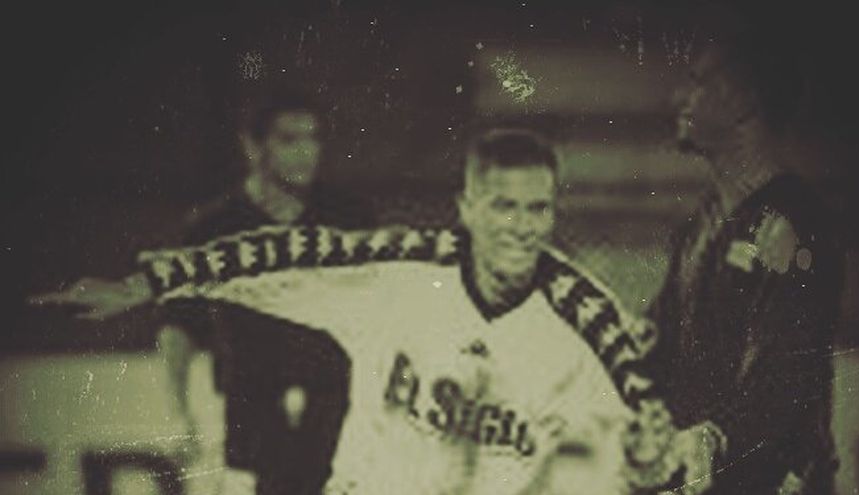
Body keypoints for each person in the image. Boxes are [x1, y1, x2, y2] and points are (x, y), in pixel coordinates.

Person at [33, 129, 722, 494]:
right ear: (466, 208)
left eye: (537, 208)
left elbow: (650, 453)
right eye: (503, 206)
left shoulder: (585, 321)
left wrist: (654, 462)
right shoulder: (398, 270)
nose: (521, 226)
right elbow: (280, 256)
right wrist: (150, 282)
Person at [647, 32, 845, 494]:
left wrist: (716, 440)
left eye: (698, 81)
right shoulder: (697, 229)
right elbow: (655, 348)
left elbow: (786, 373)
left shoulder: (794, 221)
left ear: (743, 100)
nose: (679, 96)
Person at [157, 88, 375, 494]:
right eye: (289, 139)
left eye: (314, 138)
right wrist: (178, 414)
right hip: (251, 422)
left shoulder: (348, 219)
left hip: (335, 417)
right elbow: (179, 325)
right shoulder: (213, 229)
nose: (306, 152)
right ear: (253, 146)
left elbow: (380, 314)